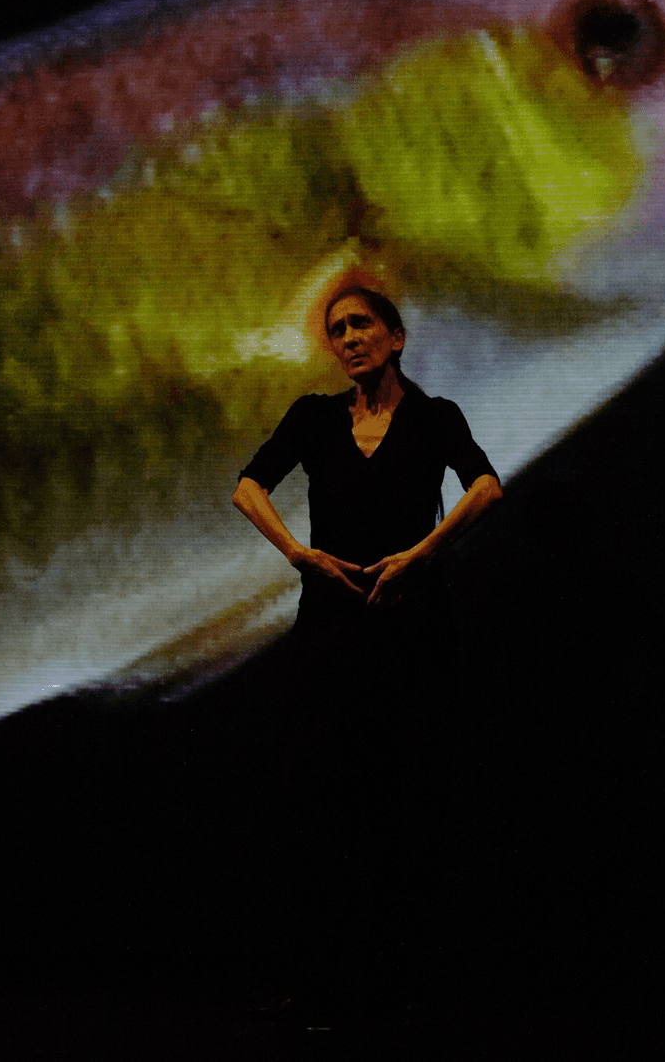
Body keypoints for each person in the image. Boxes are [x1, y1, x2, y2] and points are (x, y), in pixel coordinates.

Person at [232, 282, 502, 1024]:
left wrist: (422, 552)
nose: (349, 338)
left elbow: (485, 487)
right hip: (330, 636)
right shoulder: (316, 420)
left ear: (395, 337)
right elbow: (247, 487)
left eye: (361, 325)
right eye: (337, 330)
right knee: (314, 801)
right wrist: (298, 553)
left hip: (413, 634)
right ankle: (320, 978)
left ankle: (401, 980)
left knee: (406, 803)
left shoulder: (433, 419)